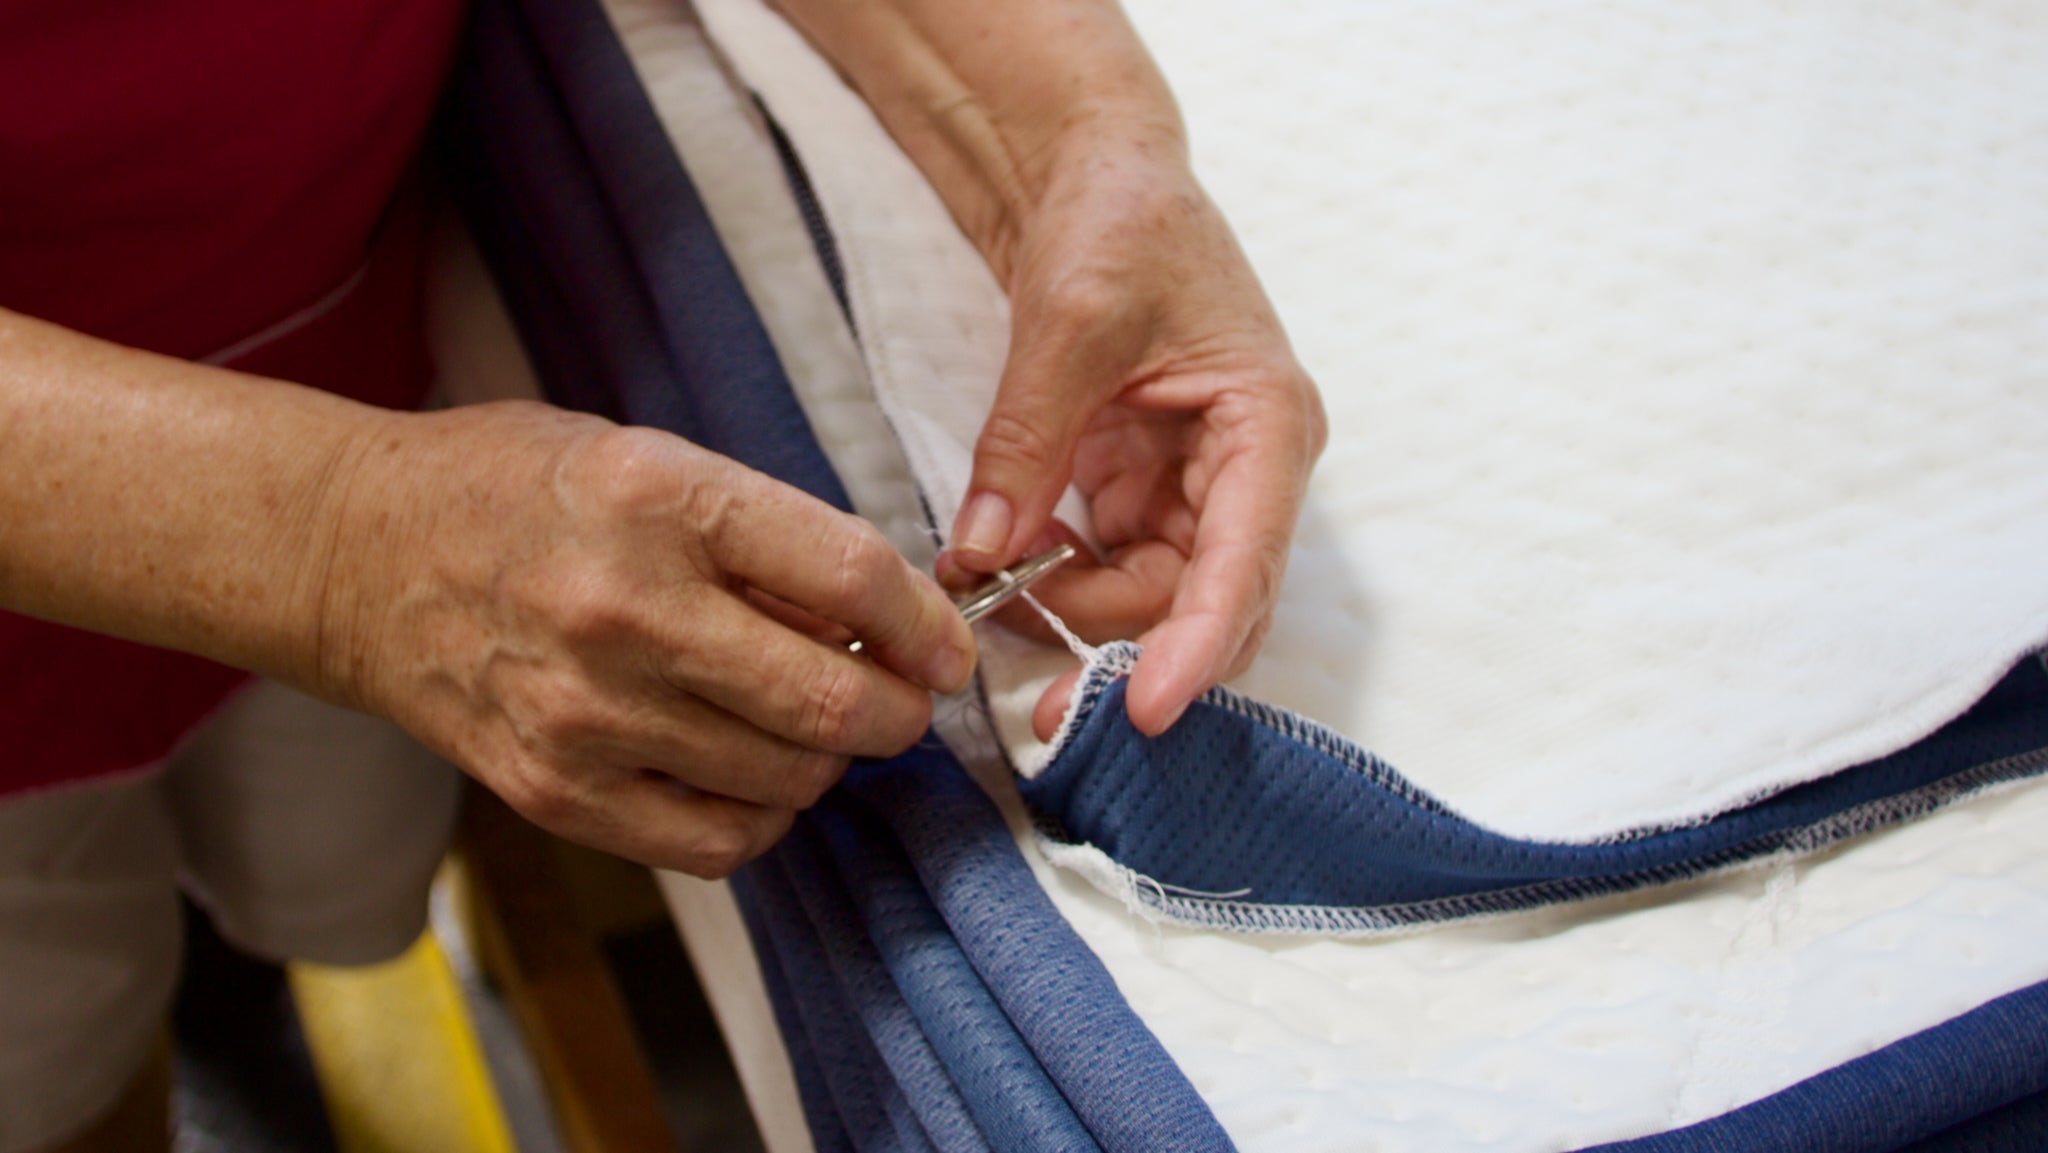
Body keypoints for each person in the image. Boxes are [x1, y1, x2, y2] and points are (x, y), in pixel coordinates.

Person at [0, 0, 1325, 1149]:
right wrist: (337, 543)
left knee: (324, 851)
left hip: (350, 303)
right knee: (50, 1064)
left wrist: (1086, 148)